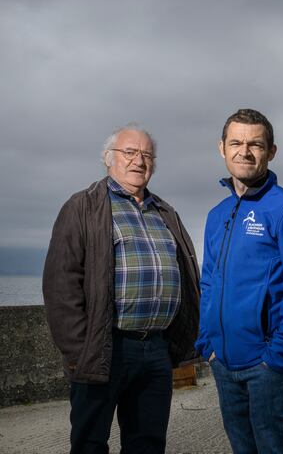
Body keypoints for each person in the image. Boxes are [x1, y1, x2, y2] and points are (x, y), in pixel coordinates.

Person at [42, 125, 200, 454]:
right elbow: (61, 285)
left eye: (146, 155)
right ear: (109, 159)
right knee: (90, 443)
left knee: (148, 444)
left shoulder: (165, 212)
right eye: (129, 152)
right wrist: (78, 352)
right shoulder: (83, 207)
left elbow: (186, 276)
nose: (138, 161)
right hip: (105, 348)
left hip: (156, 349)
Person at [196, 108, 283, 453]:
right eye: (236, 142)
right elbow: (208, 282)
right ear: (222, 148)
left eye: (255, 144)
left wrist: (277, 356)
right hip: (223, 363)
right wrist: (208, 345)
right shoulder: (216, 215)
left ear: (271, 152)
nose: (244, 151)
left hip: (267, 366)